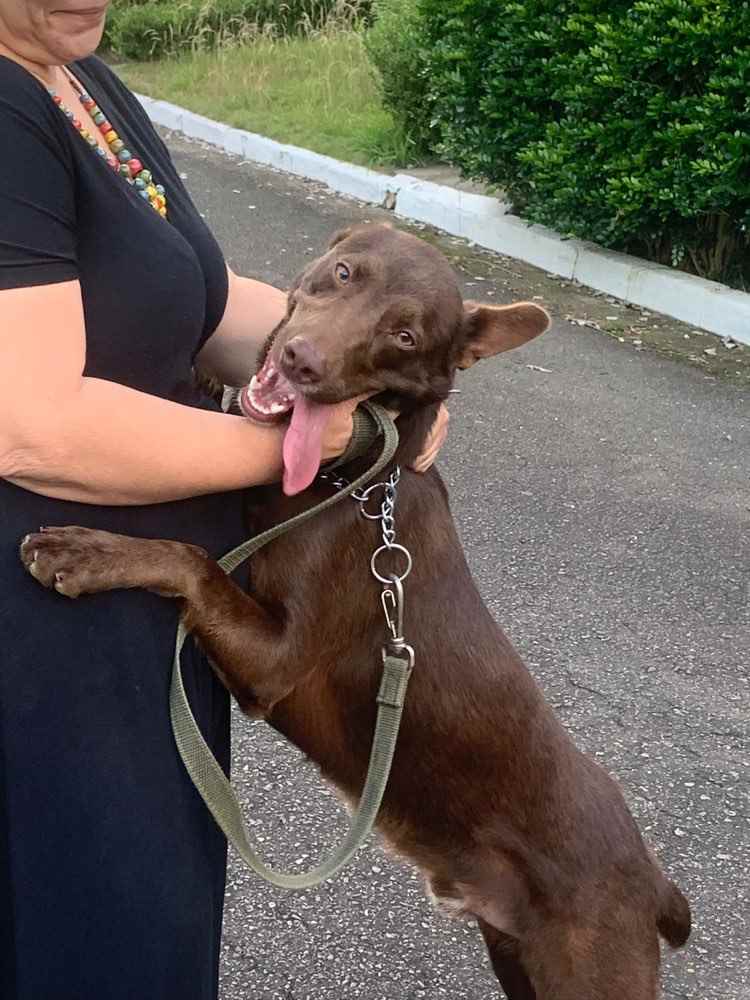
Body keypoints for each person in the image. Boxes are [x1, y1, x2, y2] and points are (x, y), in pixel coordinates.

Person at [0, 3, 448, 998]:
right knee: (93, 942)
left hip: (133, 619)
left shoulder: (76, 76)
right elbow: (34, 426)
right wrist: (306, 444)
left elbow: (200, 298)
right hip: (51, 627)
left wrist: (375, 375)